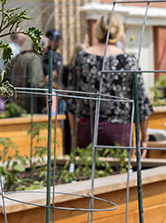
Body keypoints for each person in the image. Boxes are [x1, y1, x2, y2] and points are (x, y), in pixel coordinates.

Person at [65, 13, 151, 151]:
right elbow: (141, 101)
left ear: (97, 30)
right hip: (119, 131)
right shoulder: (128, 61)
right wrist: (144, 137)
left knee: (88, 171)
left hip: (88, 129)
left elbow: (71, 100)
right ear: (119, 31)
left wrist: (74, 134)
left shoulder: (82, 58)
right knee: (121, 171)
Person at [5, 33, 47, 115]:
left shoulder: (16, 58)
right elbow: (36, 84)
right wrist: (47, 99)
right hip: (30, 109)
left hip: (13, 107)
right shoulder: (34, 59)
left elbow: (5, 80)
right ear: (43, 48)